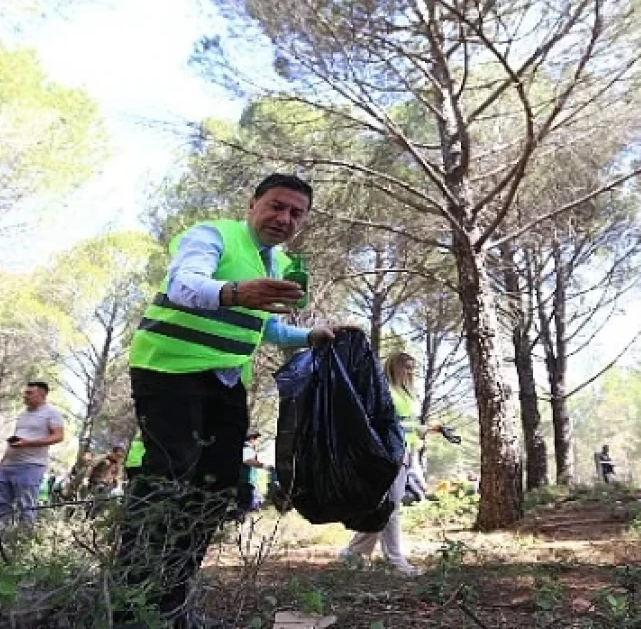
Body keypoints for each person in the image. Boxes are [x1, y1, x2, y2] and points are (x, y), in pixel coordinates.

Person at [117, 173, 351, 628]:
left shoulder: (279, 264)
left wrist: (313, 336)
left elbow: (266, 328)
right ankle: (132, 601)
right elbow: (184, 284)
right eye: (277, 206)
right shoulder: (212, 236)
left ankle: (173, 601)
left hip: (225, 383)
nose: (284, 219)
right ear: (253, 203)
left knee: (215, 487)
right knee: (169, 476)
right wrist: (235, 292)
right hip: (170, 370)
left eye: (296, 213)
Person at [340, 352, 445, 577]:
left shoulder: (408, 393)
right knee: (390, 507)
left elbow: (408, 425)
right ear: (393, 367)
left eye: (412, 367)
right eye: (405, 367)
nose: (410, 372)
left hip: (406, 453)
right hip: (389, 454)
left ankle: (354, 553)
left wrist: (430, 429)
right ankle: (395, 561)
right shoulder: (384, 391)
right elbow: (383, 424)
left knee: (384, 506)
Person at [0, 381, 64, 527]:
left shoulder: (51, 413)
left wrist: (28, 443)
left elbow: (58, 436)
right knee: (0, 504)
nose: (25, 396)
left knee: (25, 505)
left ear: (42, 395)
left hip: (31, 465)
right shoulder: (23, 414)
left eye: (29, 393)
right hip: (8, 465)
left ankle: (22, 541)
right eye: (25, 392)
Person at [236, 432, 266, 518]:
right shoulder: (247, 448)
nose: (259, 442)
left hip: (245, 482)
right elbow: (247, 460)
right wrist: (263, 465)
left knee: (250, 504)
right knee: (249, 505)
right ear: (252, 439)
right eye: (258, 440)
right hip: (245, 482)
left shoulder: (245, 448)